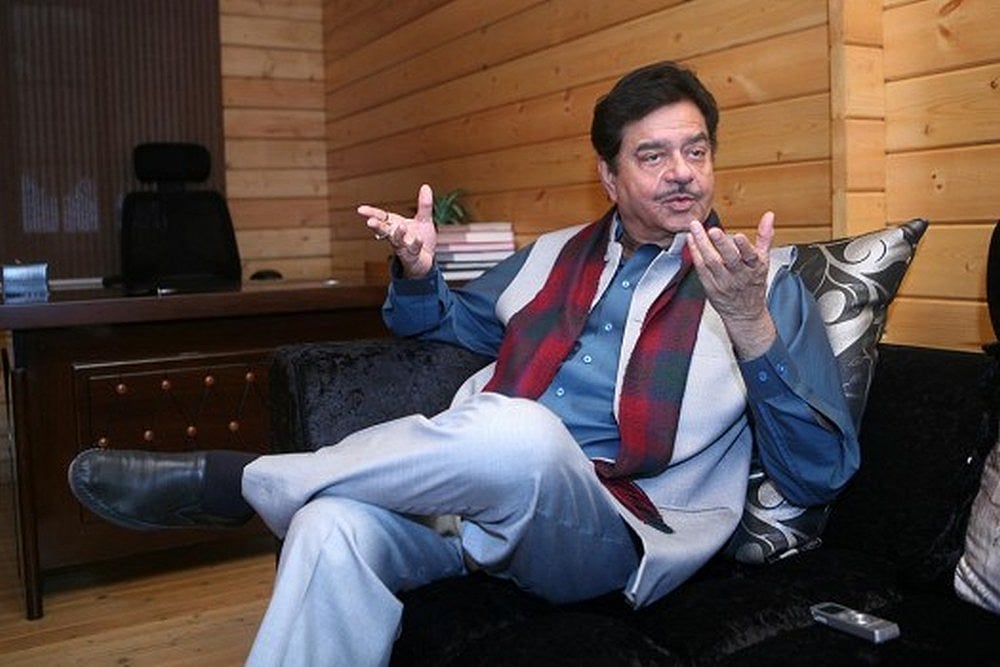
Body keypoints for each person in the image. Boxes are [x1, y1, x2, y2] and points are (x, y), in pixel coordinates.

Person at [68, 61, 859, 665]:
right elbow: (439, 324)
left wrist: (748, 324)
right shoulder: (549, 257)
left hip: (613, 527)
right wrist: (420, 272)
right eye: (652, 155)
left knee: (518, 430)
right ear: (610, 177)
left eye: (696, 150)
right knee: (328, 525)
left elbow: (817, 472)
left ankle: (237, 481)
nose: (682, 170)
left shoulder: (762, 285)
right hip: (470, 511)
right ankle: (283, 492)